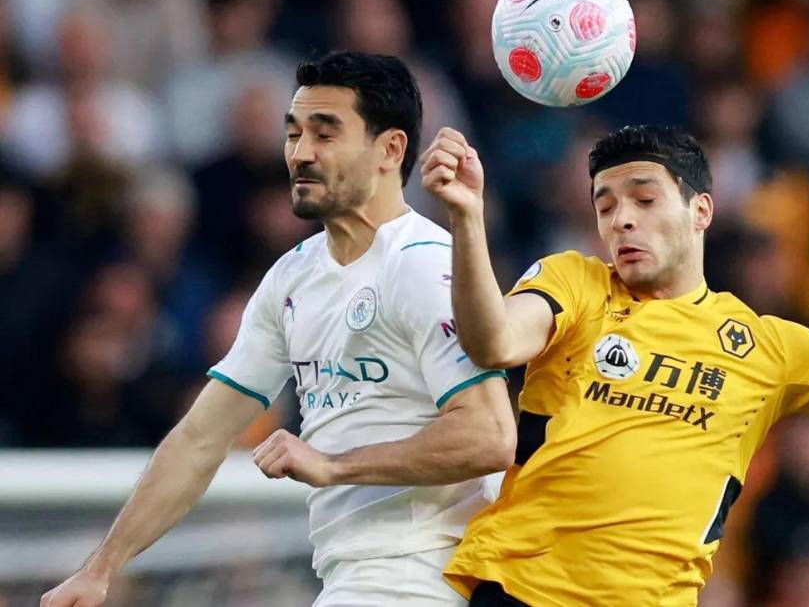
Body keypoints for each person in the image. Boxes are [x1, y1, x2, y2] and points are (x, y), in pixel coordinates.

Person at [420, 124, 809, 606]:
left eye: (644, 200)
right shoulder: (577, 283)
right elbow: (493, 340)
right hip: (523, 590)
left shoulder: (771, 348)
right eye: (605, 206)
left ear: (701, 211)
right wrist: (467, 217)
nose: (621, 221)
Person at [41, 52, 516, 607]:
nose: (300, 153)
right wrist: (100, 570)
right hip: (354, 576)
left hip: (427, 574)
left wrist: (333, 464)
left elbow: (489, 435)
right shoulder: (293, 277)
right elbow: (200, 438)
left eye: (325, 133)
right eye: (293, 134)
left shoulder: (425, 264)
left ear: (390, 150)